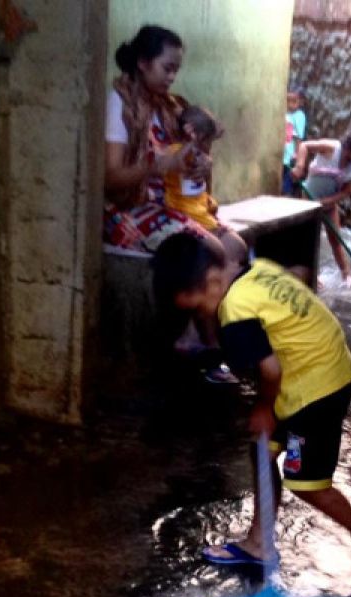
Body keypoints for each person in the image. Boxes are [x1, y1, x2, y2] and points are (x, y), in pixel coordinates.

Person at [150, 233, 351, 597]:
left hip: (316, 386)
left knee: (307, 482)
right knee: (262, 449)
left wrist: (264, 407)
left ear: (214, 283)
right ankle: (259, 543)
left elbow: (270, 369)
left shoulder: (235, 315)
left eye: (197, 308)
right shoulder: (255, 272)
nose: (200, 317)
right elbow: (294, 287)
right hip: (313, 362)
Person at [104, 25, 238, 383]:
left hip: (166, 205)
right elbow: (111, 178)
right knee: (212, 252)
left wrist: (195, 161)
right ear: (144, 63)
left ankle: (212, 336)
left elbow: (183, 159)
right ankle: (206, 346)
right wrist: (155, 166)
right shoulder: (119, 103)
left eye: (176, 68)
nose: (173, 76)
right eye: (167, 67)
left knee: (236, 246)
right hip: (127, 209)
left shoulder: (168, 106)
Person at [291, 124, 351, 287]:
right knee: (310, 241)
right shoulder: (332, 148)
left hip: (328, 205)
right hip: (308, 203)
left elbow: (347, 191)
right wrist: (300, 165)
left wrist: (328, 202)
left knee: (336, 240)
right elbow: (305, 146)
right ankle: (312, 277)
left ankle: (347, 275)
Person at [163, 105, 248, 266]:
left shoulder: (200, 155)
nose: (209, 147)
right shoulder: (177, 151)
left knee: (239, 250)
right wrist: (191, 143)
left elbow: (200, 192)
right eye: (207, 141)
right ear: (196, 137)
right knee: (230, 253)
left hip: (201, 213)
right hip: (185, 214)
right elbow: (176, 161)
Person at [281, 86, 306, 197]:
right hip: (282, 152)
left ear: (300, 102)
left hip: (290, 154)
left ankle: (286, 197)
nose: (290, 104)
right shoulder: (284, 113)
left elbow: (299, 137)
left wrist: (297, 154)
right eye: (288, 101)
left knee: (287, 179)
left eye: (294, 101)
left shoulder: (299, 116)